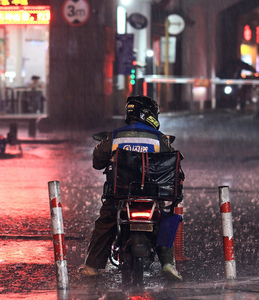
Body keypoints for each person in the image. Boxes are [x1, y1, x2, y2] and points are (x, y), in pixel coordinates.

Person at [78, 95, 183, 281]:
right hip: (152, 195)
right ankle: (168, 264)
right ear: (149, 114)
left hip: (120, 195)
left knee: (105, 222)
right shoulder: (160, 139)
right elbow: (172, 166)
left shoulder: (116, 136)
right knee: (164, 218)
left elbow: (97, 162)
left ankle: (92, 266)